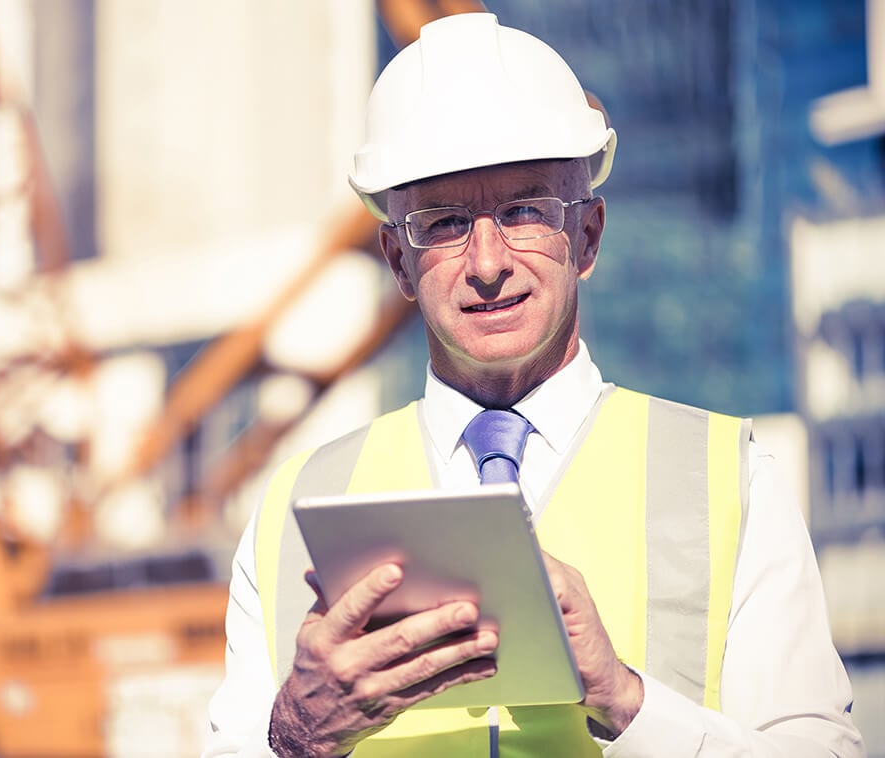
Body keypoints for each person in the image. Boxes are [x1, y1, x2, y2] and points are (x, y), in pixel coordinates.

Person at [202, 12, 864, 757]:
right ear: (397, 261)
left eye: (524, 211)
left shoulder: (729, 481)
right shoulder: (293, 510)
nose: (488, 262)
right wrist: (296, 735)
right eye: (445, 223)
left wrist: (627, 700)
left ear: (587, 237)